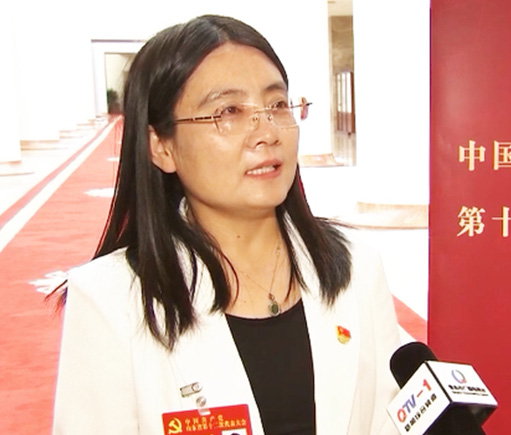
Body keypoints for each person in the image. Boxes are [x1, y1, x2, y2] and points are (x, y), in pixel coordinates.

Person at [52, 14, 402, 435]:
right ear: (161, 146)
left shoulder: (357, 267)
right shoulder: (110, 300)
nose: (266, 132)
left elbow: (393, 419)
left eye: (277, 104)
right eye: (229, 111)